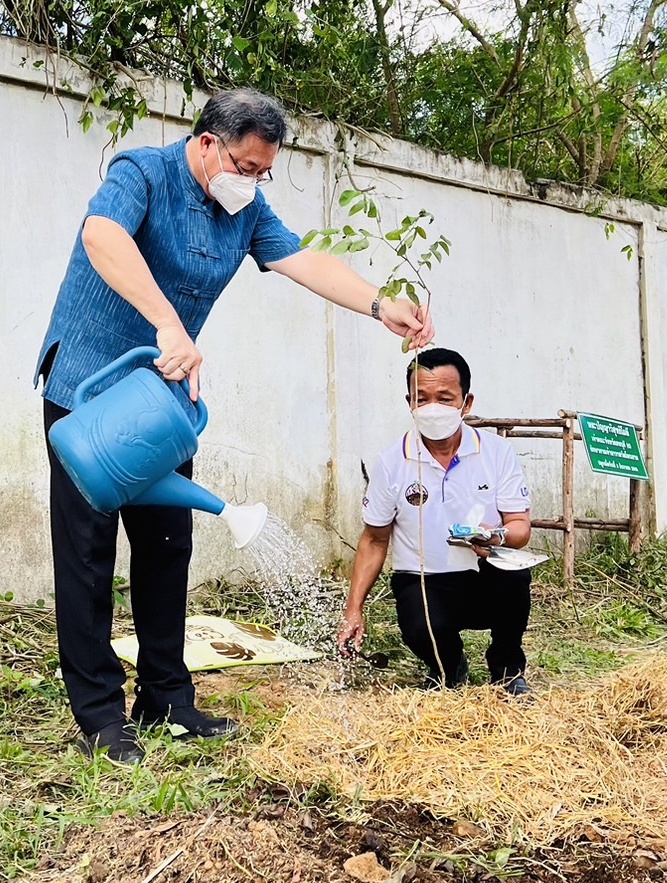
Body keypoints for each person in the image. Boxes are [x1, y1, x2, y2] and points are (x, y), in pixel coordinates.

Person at [37, 88, 433, 761]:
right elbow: (101, 235)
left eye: (262, 172)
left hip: (159, 401)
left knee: (167, 542)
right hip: (91, 390)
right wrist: (167, 321)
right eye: (244, 166)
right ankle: (100, 714)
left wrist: (378, 304)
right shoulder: (143, 173)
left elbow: (302, 259)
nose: (250, 182)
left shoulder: (242, 210)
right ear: (207, 143)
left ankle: (167, 699)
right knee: (87, 552)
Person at [337, 347, 534, 696]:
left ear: (466, 403)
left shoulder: (496, 453)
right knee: (419, 627)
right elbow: (374, 540)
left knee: (515, 574)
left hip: (486, 570)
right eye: (421, 398)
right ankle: (448, 665)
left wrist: (497, 537)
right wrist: (354, 609)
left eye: (445, 398)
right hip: (425, 580)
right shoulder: (391, 463)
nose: (432, 408)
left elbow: (520, 526)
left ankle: (506, 669)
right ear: (409, 402)